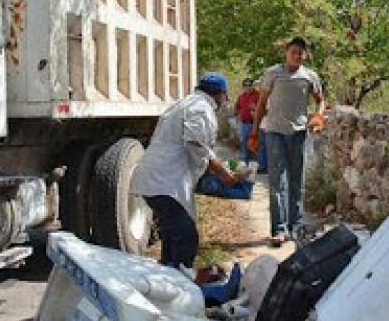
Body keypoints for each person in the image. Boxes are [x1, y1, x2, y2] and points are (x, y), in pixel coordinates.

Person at [131, 72, 240, 269]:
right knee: (186, 237)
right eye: (225, 96)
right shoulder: (201, 107)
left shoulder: (186, 104)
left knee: (173, 235)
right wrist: (223, 173)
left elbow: (195, 147)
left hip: (160, 179)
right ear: (219, 94)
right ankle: (180, 285)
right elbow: (195, 144)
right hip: (166, 182)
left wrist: (212, 170)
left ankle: (167, 277)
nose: (225, 102)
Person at [250, 36, 325, 247]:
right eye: (293, 51)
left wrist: (319, 116)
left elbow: (320, 101)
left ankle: (297, 227)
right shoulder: (273, 74)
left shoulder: (310, 76)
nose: (297, 55)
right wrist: (254, 132)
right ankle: (279, 229)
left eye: (301, 53)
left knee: (296, 182)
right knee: (277, 182)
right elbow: (261, 103)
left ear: (305, 55)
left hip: (299, 133)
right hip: (274, 132)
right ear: (286, 52)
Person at [234, 78, 259, 165]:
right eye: (245, 85)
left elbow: (264, 108)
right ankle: (246, 163)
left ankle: (258, 165)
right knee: (244, 144)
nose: (247, 87)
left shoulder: (258, 95)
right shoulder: (241, 97)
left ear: (253, 86)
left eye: (249, 85)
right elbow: (236, 108)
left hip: (255, 124)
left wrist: (255, 109)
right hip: (244, 124)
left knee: (255, 144)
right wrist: (239, 114)